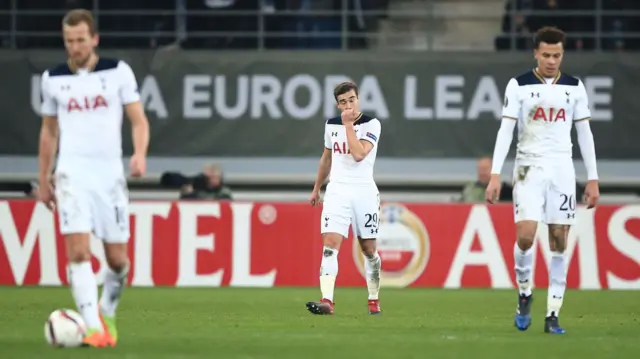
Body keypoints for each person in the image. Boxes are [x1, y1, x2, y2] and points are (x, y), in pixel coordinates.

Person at [37, 9, 150, 348]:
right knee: (79, 253)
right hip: (72, 174)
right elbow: (48, 132)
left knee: (117, 261)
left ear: (94, 39)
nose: (75, 47)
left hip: (109, 176)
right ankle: (91, 327)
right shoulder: (52, 78)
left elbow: (139, 120)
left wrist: (140, 153)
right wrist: (43, 179)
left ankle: (107, 310)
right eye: (69, 41)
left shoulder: (117, 72)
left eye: (81, 40)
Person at [485, 26, 599, 335]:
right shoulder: (519, 85)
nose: (552, 61)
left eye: (557, 55)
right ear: (536, 53)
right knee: (526, 235)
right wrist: (495, 174)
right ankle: (524, 293)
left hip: (562, 168)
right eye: (546, 55)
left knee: (559, 239)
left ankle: (552, 314)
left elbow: (584, 133)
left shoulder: (575, 87)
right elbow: (506, 130)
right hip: (528, 167)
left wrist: (593, 177)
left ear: (563, 54)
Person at [306, 82, 382, 316]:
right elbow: (327, 157)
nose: (348, 105)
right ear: (337, 104)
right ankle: (327, 300)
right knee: (330, 245)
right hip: (337, 190)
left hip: (364, 192)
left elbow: (359, 154)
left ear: (358, 99)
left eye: (352, 100)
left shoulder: (372, 124)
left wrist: (348, 125)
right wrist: (317, 187)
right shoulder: (331, 125)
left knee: (368, 250)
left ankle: (373, 299)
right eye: (343, 102)